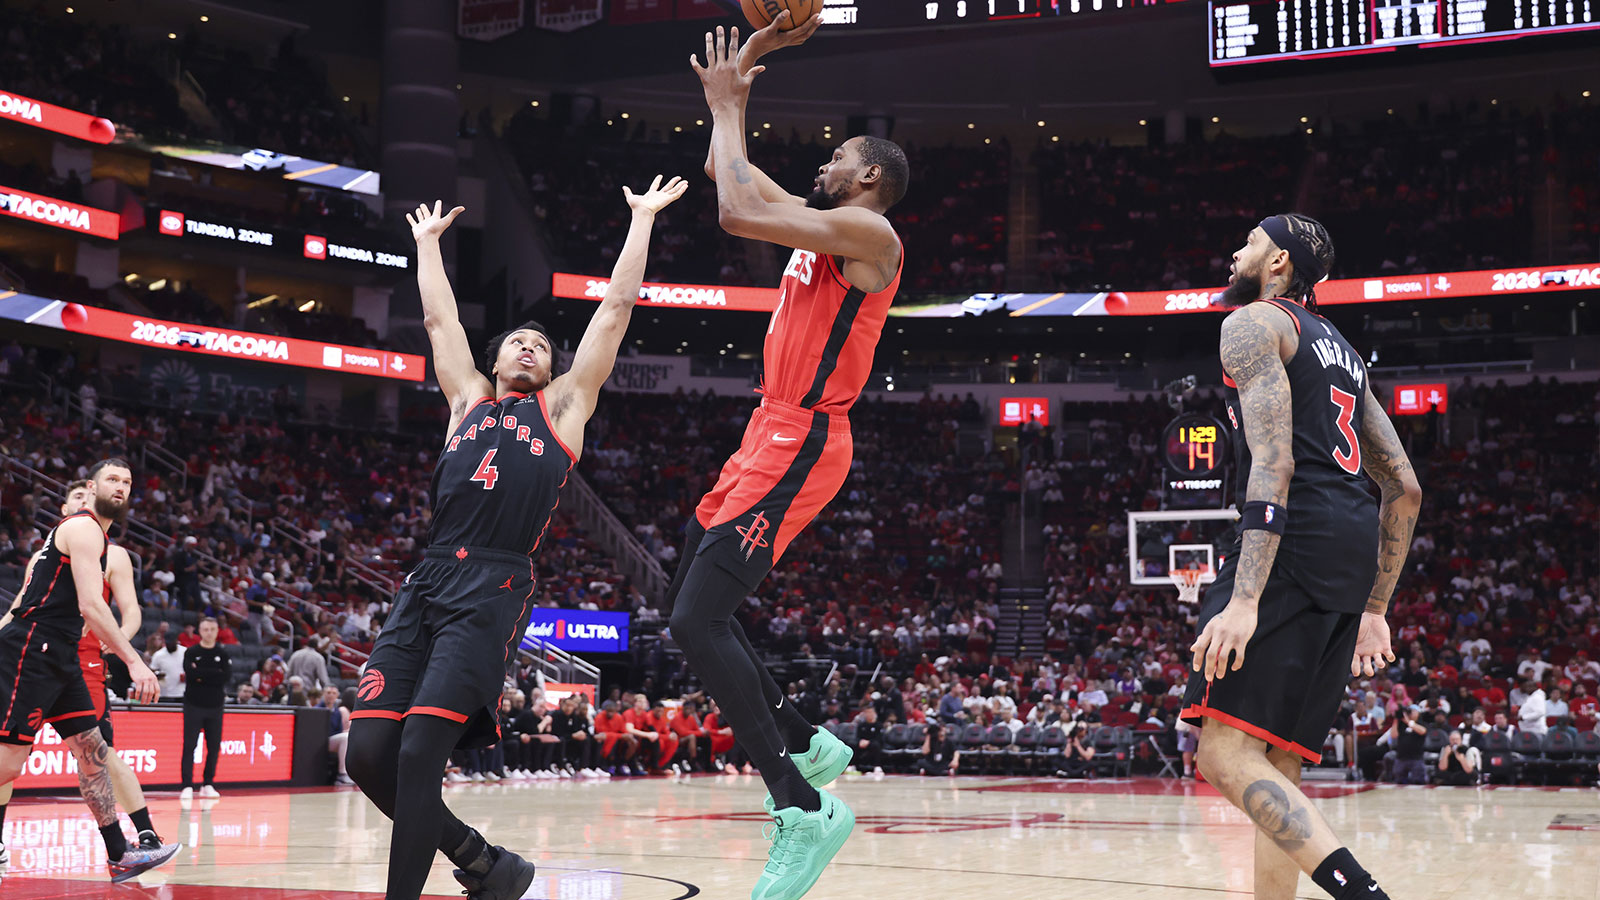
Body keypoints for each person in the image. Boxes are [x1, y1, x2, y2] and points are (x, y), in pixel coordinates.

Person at [345, 178, 685, 900]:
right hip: (428, 581)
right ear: (495, 362)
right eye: (517, 342)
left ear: (553, 371)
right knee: (368, 756)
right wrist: (428, 245)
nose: (529, 347)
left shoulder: (562, 410)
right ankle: (483, 861)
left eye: (540, 346)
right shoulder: (467, 401)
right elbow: (439, 325)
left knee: (415, 755)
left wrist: (641, 222)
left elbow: (616, 312)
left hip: (492, 587)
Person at [673, 18, 909, 899]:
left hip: (807, 434)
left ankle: (800, 805)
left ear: (871, 177)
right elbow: (721, 175)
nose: (824, 163)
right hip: (766, 430)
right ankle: (808, 740)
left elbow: (736, 207)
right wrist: (733, 84)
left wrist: (735, 103)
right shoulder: (818, 221)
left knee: (698, 621)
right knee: (685, 606)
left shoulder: (872, 241)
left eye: (840, 155)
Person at [1182, 215, 1422, 900]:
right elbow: (1405, 488)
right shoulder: (1345, 350)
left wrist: (1246, 599)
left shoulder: (1255, 323)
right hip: (1350, 551)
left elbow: (1275, 459)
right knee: (1276, 770)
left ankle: (1359, 891)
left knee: (1225, 755)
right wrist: (1376, 607)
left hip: (1293, 539)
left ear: (1279, 262)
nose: (1236, 252)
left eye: (1249, 243)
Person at [0, 460, 180, 880]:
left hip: (63, 655)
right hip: (33, 647)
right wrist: (135, 662)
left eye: (127, 482)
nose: (120, 488)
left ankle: (120, 852)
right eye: (112, 480)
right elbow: (90, 604)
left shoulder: (103, 540)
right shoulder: (82, 528)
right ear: (91, 486)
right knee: (9, 764)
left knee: (93, 753)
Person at [181, 616, 232, 802]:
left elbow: (225, 677)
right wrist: (212, 674)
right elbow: (190, 674)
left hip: (216, 706)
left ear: (217, 631)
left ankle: (208, 783)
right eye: (205, 629)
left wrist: (202, 674)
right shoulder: (191, 652)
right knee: (190, 746)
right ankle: (187, 785)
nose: (209, 632)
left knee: (214, 746)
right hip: (193, 704)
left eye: (212, 629)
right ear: (199, 631)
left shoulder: (223, 654)